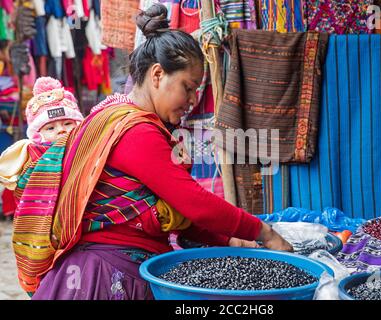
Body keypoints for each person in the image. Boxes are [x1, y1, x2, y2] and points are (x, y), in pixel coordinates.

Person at [16, 3, 293, 300]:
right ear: (158, 74)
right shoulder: (136, 131)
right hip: (103, 277)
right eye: (187, 87)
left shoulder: (114, 114)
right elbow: (193, 202)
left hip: (107, 270)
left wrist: (230, 239)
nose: (191, 100)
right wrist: (264, 232)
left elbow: (175, 214)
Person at [0, 76, 84, 194]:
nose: (61, 130)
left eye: (67, 123)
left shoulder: (86, 147)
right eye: (50, 128)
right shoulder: (33, 156)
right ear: (38, 136)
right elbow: (26, 190)